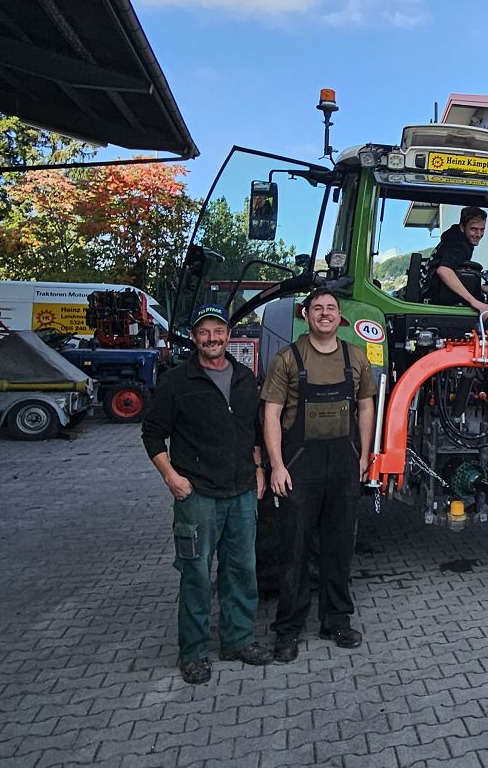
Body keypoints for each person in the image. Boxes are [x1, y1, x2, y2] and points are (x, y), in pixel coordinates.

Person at [142, 303, 272, 685]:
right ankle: (194, 652)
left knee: (242, 570)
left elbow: (253, 432)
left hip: (242, 492)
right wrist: (171, 477)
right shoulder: (178, 382)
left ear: (228, 335)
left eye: (219, 331)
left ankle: (238, 640)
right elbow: (152, 433)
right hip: (196, 494)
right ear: (194, 337)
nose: (212, 338)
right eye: (204, 332)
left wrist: (260, 469)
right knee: (196, 573)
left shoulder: (246, 378)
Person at [261, 289, 377, 662]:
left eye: (331, 309)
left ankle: (336, 621)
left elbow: (366, 406)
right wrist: (276, 465)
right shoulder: (288, 359)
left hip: (343, 463)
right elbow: (271, 415)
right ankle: (288, 630)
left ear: (339, 317)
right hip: (300, 465)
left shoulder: (354, 357)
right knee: (294, 549)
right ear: (306, 315)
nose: (324, 314)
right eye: (317, 309)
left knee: (339, 547)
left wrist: (364, 455)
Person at [424, 206, 488, 312]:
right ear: (462, 227)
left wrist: (480, 288)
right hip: (438, 304)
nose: (479, 234)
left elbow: (457, 272)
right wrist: (474, 301)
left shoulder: (452, 237)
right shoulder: (458, 246)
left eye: (482, 229)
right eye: (474, 229)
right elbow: (444, 271)